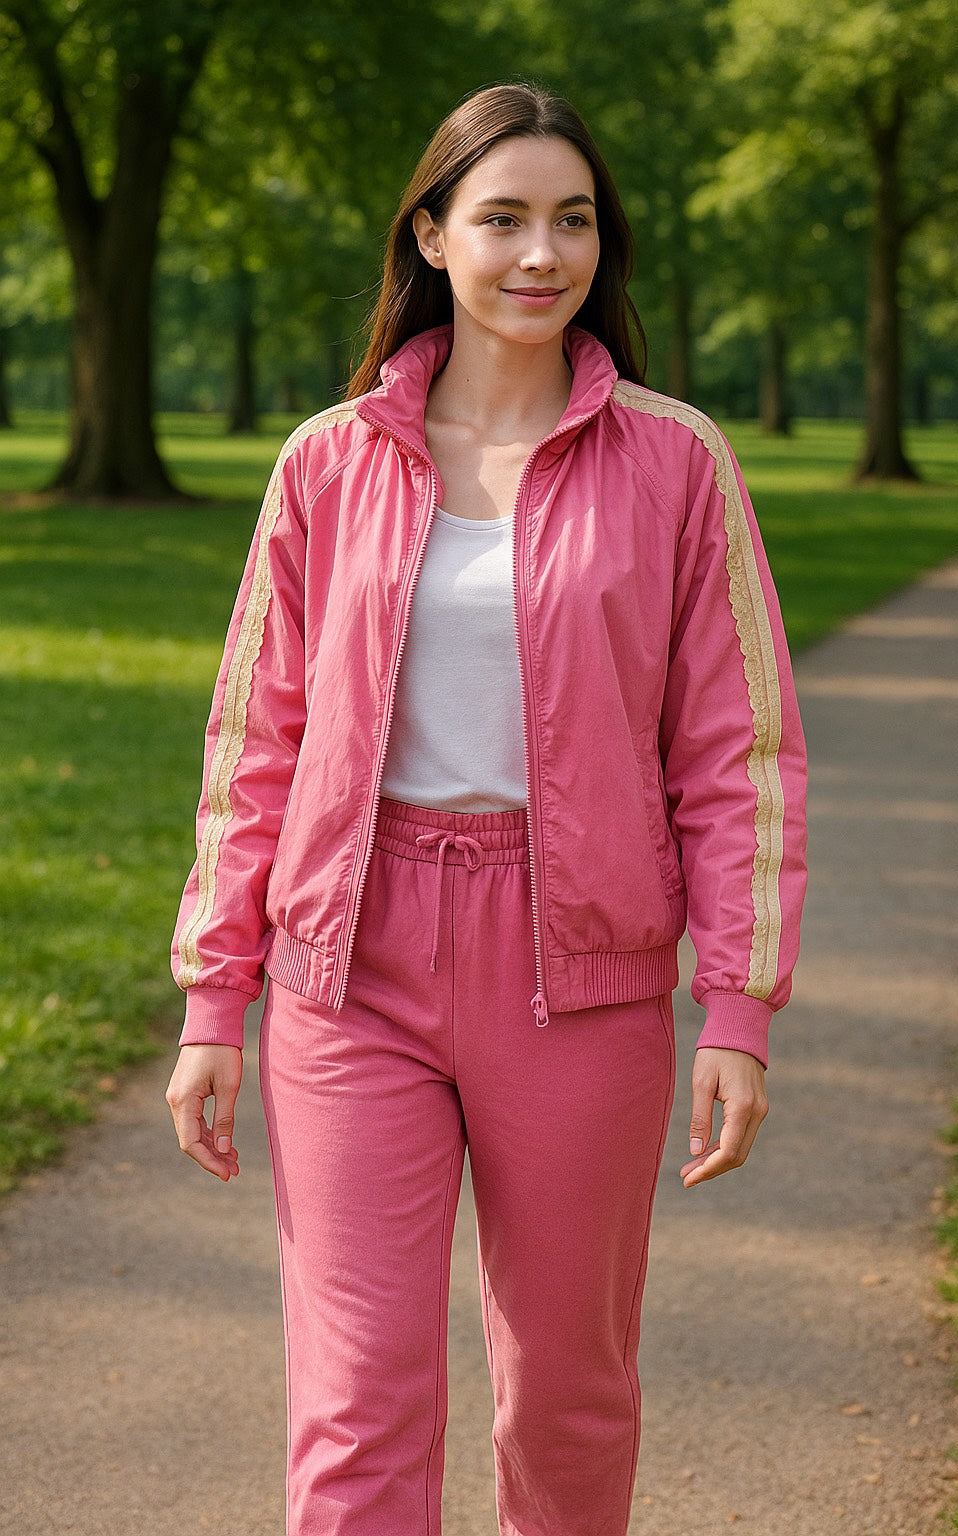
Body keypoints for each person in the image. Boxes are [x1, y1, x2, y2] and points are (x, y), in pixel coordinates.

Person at [165, 79, 807, 1536]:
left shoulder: (676, 460)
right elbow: (252, 744)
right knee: (355, 1400)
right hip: (352, 970)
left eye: (571, 220)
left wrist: (739, 1011)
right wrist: (216, 998)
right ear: (433, 236)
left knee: (567, 1392)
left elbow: (740, 753)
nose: (541, 253)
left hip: (577, 977)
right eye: (503, 217)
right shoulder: (328, 462)